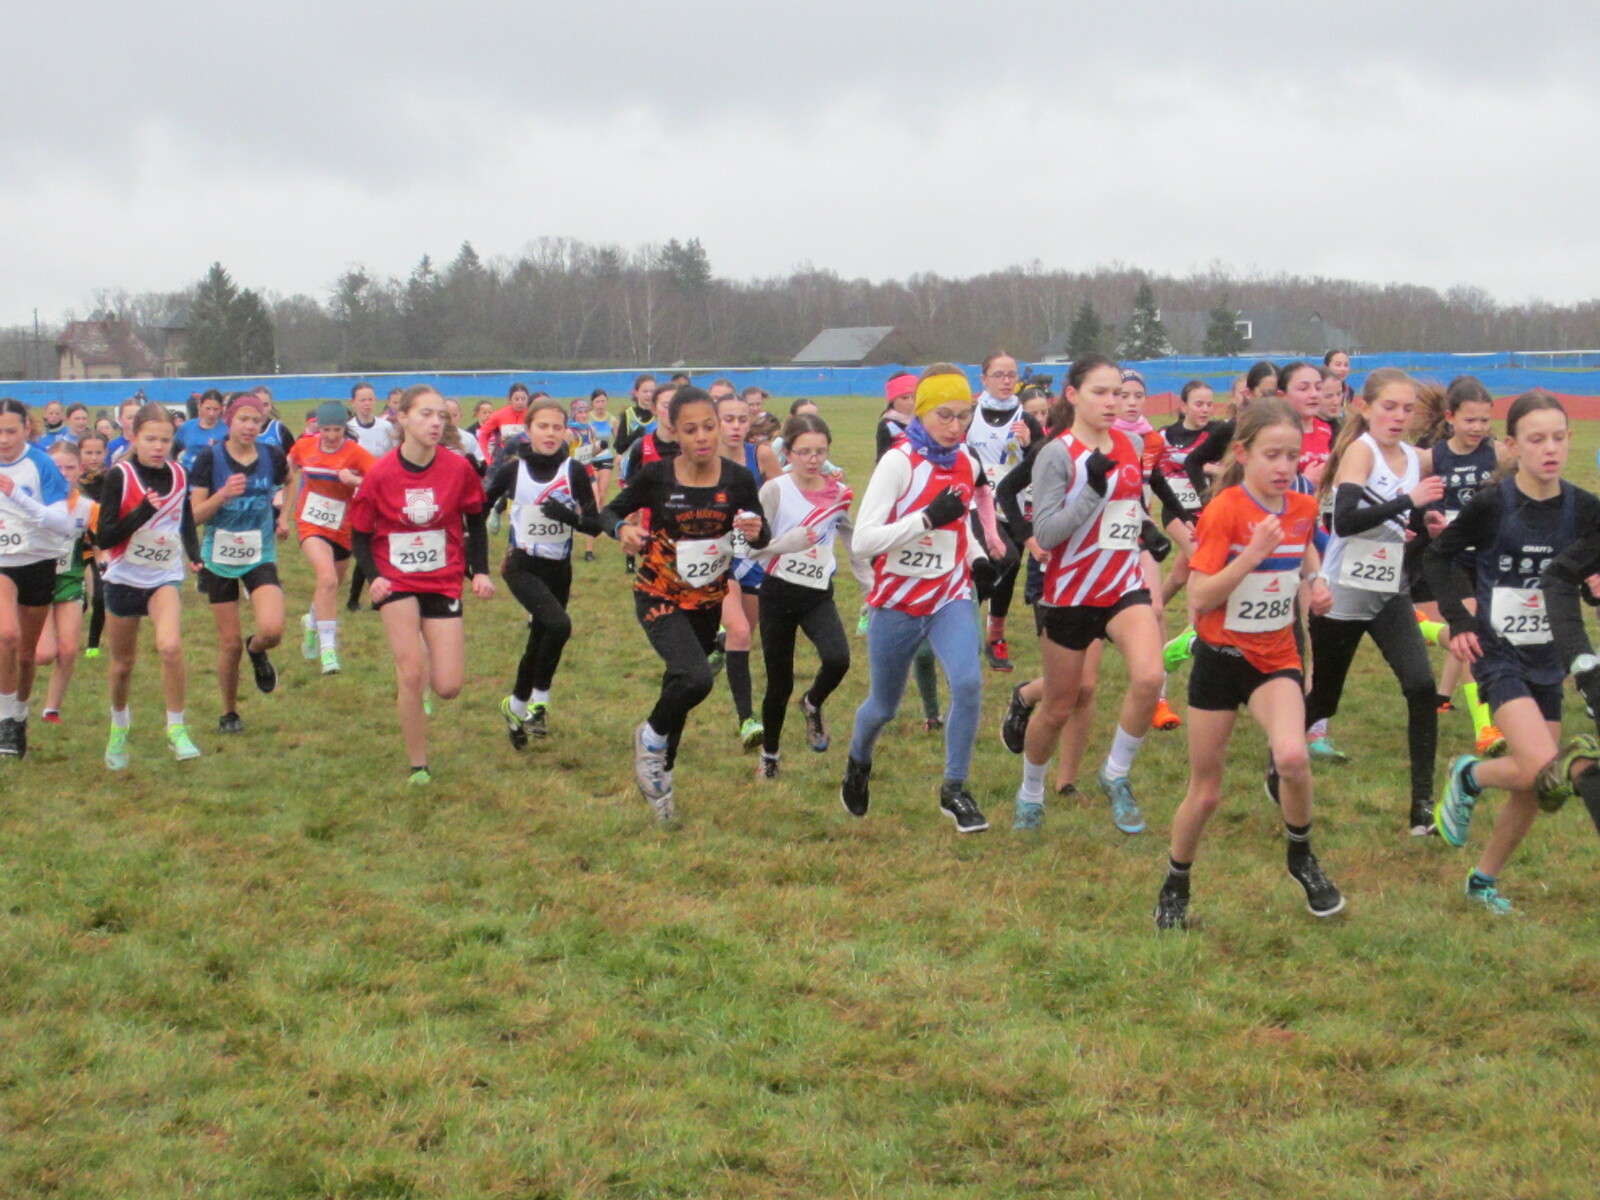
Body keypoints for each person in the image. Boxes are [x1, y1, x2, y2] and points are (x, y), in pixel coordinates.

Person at [1154, 398, 1342, 930]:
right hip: (1219, 661)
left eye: (1293, 456)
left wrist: (1316, 581)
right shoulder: (1225, 511)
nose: (1284, 467)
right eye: (1272, 455)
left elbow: (1304, 547)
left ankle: (1301, 856)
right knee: (1206, 792)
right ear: (1243, 453)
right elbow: (1200, 596)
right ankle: (1176, 884)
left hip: (1274, 659)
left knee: (1293, 758)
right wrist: (1252, 555)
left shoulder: (1301, 506)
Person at [1427, 392, 1600, 912]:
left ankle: (1483, 880)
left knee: (1536, 786)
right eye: (1536, 439)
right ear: (1512, 446)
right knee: (1546, 764)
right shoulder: (1493, 504)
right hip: (1498, 651)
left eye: (1558, 438)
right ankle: (1469, 774)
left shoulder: (1586, 509)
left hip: (1550, 656)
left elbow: (1581, 577)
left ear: (1570, 439)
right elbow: (1438, 557)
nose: (1550, 449)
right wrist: (1459, 620)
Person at [841, 365, 1001, 834]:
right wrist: (925, 520)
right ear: (922, 413)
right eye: (944, 416)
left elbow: (959, 522)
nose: (955, 426)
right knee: (883, 707)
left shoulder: (967, 460)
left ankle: (955, 788)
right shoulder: (899, 462)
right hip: (897, 602)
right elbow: (863, 541)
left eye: (964, 416)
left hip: (949, 595)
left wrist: (976, 559)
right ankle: (858, 763)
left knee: (968, 682)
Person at [1012, 355, 1166, 835]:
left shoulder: (1131, 443)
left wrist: (1147, 530)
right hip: (1070, 593)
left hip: (1122, 584)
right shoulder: (1056, 454)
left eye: (1118, 392)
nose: (1112, 402)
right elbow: (1047, 532)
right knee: (1059, 706)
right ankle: (1030, 793)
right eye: (1100, 392)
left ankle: (1115, 774)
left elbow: (1130, 506)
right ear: (1073, 395)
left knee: (1150, 677)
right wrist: (1092, 490)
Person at [603, 386, 768, 821]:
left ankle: (662, 780)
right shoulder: (657, 476)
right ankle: (650, 739)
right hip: (658, 593)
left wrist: (757, 533)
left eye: (709, 427)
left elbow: (760, 532)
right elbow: (608, 512)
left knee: (678, 682)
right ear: (674, 432)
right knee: (696, 678)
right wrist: (622, 528)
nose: (702, 437)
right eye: (691, 430)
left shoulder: (738, 479)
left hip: (708, 599)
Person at [1302, 368, 1443, 834]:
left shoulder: (1414, 458)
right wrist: (1409, 501)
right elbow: (1344, 521)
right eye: (1389, 407)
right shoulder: (1360, 452)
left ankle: (1422, 805)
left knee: (1421, 687)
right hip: (1341, 595)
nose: (1399, 417)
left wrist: (1427, 526)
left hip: (1388, 593)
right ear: (1365, 407)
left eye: (1407, 409)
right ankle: (1279, 762)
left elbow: (1404, 527)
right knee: (1325, 700)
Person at [349, 384, 493, 785]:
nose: (435, 422)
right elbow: (360, 535)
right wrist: (374, 578)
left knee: (448, 686)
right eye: (425, 414)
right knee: (411, 674)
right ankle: (419, 765)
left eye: (440, 415)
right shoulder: (381, 474)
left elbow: (476, 522)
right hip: (396, 578)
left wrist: (480, 571)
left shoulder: (458, 469)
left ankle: (424, 661)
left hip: (443, 579)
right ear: (402, 418)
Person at [486, 396, 601, 745]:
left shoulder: (573, 471)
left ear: (565, 431)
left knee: (541, 636)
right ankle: (540, 701)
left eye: (556, 427)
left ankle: (518, 708)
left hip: (559, 569)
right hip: (521, 565)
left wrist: (569, 517)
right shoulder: (513, 470)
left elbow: (594, 525)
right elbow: (478, 506)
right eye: (542, 426)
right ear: (528, 430)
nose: (550, 434)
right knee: (559, 625)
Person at [749, 413, 857, 778]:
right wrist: (785, 543)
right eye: (804, 452)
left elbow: (851, 539)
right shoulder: (774, 491)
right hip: (777, 595)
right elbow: (747, 548)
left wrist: (871, 585)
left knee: (838, 659)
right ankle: (770, 756)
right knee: (779, 683)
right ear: (788, 452)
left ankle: (812, 703)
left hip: (817, 595)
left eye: (820, 452)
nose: (813, 459)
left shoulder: (838, 493)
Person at [96, 402, 203, 768]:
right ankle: (119, 725)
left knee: (170, 647)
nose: (158, 447)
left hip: (163, 577)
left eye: (165, 440)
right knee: (122, 665)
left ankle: (177, 728)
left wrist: (194, 553)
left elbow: (184, 517)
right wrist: (142, 511)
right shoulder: (120, 476)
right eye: (150, 439)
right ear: (134, 437)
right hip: (123, 578)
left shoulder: (179, 473)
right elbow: (105, 536)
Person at [189, 393, 290, 733]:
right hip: (218, 558)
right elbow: (194, 515)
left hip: (259, 553)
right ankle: (229, 713)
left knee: (272, 630)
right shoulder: (210, 458)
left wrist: (283, 517)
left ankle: (256, 649)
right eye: (243, 419)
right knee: (229, 644)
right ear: (229, 421)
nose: (250, 426)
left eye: (256, 420)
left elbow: (291, 480)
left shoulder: (272, 456)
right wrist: (222, 495)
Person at [1417, 377, 1501, 746]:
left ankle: (1426, 631)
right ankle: (1484, 727)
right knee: (1472, 636)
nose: (1478, 428)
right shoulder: (1433, 457)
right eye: (1470, 420)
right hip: (1451, 558)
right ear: (1450, 418)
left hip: (1487, 558)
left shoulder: (1498, 454)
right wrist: (1428, 518)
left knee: (1474, 631)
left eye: (1484, 420)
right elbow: (1415, 500)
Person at [0, 399, 75, 757]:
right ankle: (3, 719)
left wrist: (16, 495)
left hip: (38, 562)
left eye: (10, 431)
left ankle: (18, 717)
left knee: (27, 655)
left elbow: (62, 523)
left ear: (27, 429)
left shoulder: (41, 464)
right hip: (2, 563)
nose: (3, 439)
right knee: (7, 635)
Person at [287, 401, 376, 675]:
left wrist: (355, 480)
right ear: (318, 427)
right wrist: (280, 497)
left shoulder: (355, 453)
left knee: (331, 585)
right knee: (326, 579)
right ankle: (329, 650)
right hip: (310, 523)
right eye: (327, 429)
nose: (332, 435)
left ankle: (311, 621)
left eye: (337, 429)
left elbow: (380, 481)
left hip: (342, 527)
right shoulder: (304, 446)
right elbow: (287, 470)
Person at [966, 352, 1041, 673]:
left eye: (1012, 375)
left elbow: (1043, 461)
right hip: (976, 506)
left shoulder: (1027, 419)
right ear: (983, 379)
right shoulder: (970, 416)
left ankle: (995, 637)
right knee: (992, 563)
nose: (1007, 381)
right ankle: (960, 618)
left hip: (1014, 506)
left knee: (1008, 574)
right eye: (999, 375)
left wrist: (1028, 445)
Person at [716, 391, 783, 747]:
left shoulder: (762, 455)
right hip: (718, 559)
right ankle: (747, 720)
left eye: (742, 420)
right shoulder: (702, 458)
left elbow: (784, 498)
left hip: (754, 557)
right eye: (728, 419)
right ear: (715, 422)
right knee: (740, 632)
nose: (736, 426)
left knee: (742, 638)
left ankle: (717, 647)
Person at [34, 441, 96, 723]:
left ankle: (52, 709)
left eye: (70, 467)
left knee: (69, 649)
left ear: (80, 470)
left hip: (70, 581)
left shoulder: (88, 507)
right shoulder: (34, 502)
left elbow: (102, 541)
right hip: (36, 581)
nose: (63, 473)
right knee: (44, 654)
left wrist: (104, 560)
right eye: (57, 467)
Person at [78, 434, 109, 660]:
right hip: (75, 547)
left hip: (101, 546)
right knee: (77, 601)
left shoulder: (112, 480)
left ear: (105, 453)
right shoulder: (73, 481)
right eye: (88, 452)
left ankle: (93, 646)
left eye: (98, 453)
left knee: (100, 597)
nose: (93, 457)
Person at [475, 382, 532, 464]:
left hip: (526, 459)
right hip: (505, 460)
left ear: (528, 399)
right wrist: (487, 458)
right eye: (516, 399)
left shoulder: (532, 415)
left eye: (523, 399)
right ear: (510, 399)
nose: (520, 402)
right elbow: (482, 433)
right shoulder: (499, 415)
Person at [172, 390, 227, 471]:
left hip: (213, 473)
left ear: (221, 409)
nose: (211, 413)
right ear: (200, 406)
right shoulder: (187, 426)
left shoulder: (226, 430)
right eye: (208, 409)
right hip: (188, 471)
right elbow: (174, 447)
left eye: (215, 409)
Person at [588, 389, 617, 519]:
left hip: (606, 458)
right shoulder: (587, 418)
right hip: (591, 458)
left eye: (603, 401)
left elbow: (618, 441)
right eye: (597, 402)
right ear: (592, 403)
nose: (600, 404)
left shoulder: (612, 420)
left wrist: (618, 455)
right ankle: (593, 516)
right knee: (594, 493)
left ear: (607, 402)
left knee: (603, 492)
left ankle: (600, 518)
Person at [347, 381, 397, 457]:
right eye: (363, 400)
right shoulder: (348, 429)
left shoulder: (386, 427)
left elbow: (395, 454)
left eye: (370, 399)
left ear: (375, 400)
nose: (367, 403)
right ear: (352, 402)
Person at [613, 374, 657, 458]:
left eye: (652, 392)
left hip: (653, 463)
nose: (649, 395)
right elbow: (619, 448)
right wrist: (635, 435)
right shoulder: (628, 414)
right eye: (645, 391)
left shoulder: (659, 415)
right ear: (636, 392)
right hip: (632, 463)